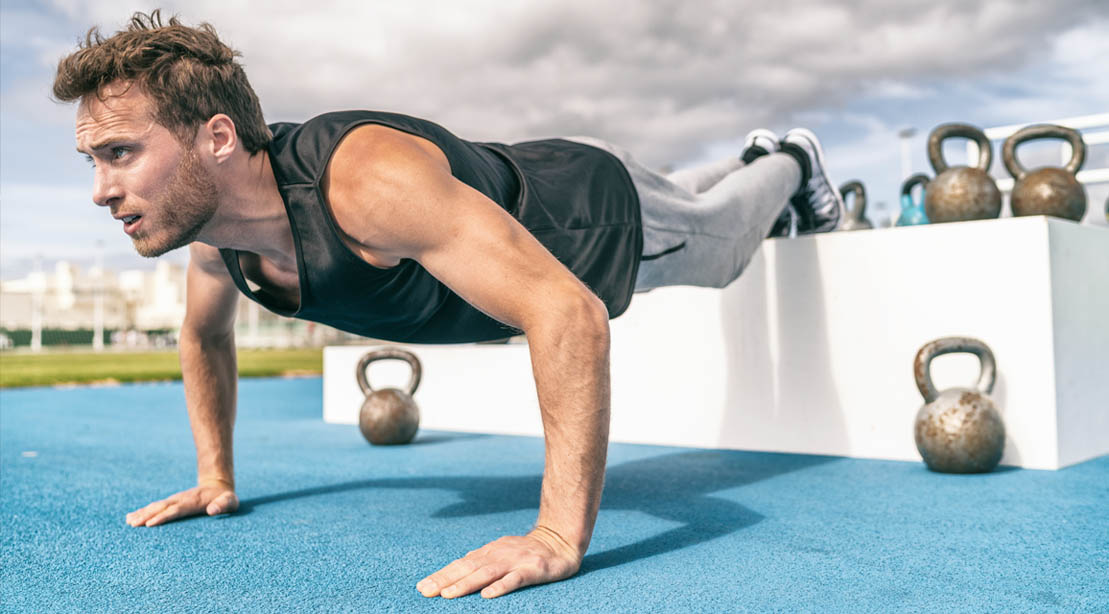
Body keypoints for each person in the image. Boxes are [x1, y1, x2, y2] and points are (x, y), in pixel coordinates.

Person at [53, 11, 843, 601]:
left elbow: (568, 315)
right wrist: (214, 476)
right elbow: (202, 335)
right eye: (92, 159)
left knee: (726, 243)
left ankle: (785, 161)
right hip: (536, 182)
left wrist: (557, 536)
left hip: (590, 220)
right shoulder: (217, 235)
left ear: (216, 138)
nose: (100, 189)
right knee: (687, 198)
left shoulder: (364, 184)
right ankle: (739, 161)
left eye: (120, 153)